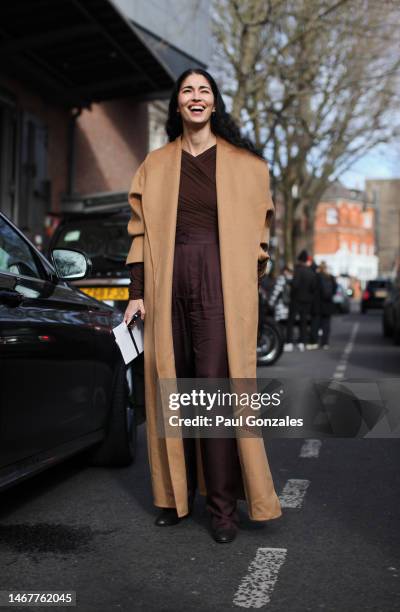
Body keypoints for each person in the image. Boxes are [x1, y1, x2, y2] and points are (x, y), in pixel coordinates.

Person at [123, 69, 282, 544]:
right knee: (174, 390)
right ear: (177, 105)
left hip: (219, 288)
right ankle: (175, 498)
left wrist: (243, 282)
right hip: (167, 282)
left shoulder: (247, 165)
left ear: (214, 104)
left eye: (204, 91)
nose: (196, 97)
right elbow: (139, 235)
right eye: (188, 91)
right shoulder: (154, 165)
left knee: (212, 395)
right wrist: (137, 292)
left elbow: (261, 239)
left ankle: (223, 511)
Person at [284, 250, 317, 352]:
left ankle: (289, 342)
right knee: (303, 322)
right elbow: (313, 288)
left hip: (296, 299)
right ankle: (302, 342)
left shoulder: (297, 271)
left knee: (291, 321)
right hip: (306, 300)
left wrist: (289, 281)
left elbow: (295, 285)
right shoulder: (311, 272)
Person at [311, 261, 337, 349]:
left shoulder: (316, 277)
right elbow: (334, 290)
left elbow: (312, 289)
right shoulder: (331, 277)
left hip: (317, 305)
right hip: (328, 304)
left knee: (316, 324)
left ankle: (314, 341)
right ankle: (325, 343)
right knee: (326, 325)